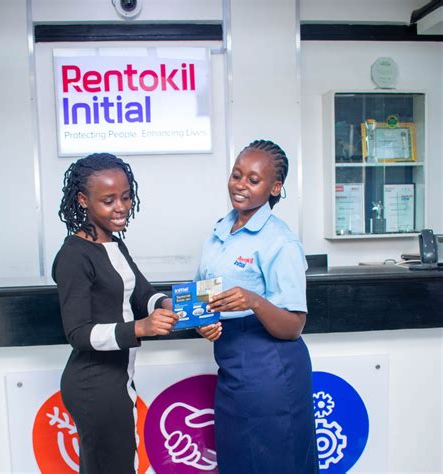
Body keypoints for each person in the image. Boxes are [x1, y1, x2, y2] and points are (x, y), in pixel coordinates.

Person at [196, 140, 318, 473]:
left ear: (275, 187)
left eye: (253, 180)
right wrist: (203, 322)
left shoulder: (280, 241)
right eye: (237, 175)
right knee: (238, 462)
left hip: (272, 369)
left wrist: (253, 300)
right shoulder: (218, 232)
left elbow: (293, 327)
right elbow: (202, 296)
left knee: (277, 463)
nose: (240, 185)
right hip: (231, 365)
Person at [52, 153, 178, 474]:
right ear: (83, 200)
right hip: (93, 384)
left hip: (116, 378)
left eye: (125, 196)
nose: (120, 207)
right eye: (108, 200)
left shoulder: (113, 243)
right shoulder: (74, 255)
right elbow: (78, 333)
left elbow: (143, 294)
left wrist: (165, 304)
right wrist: (139, 328)